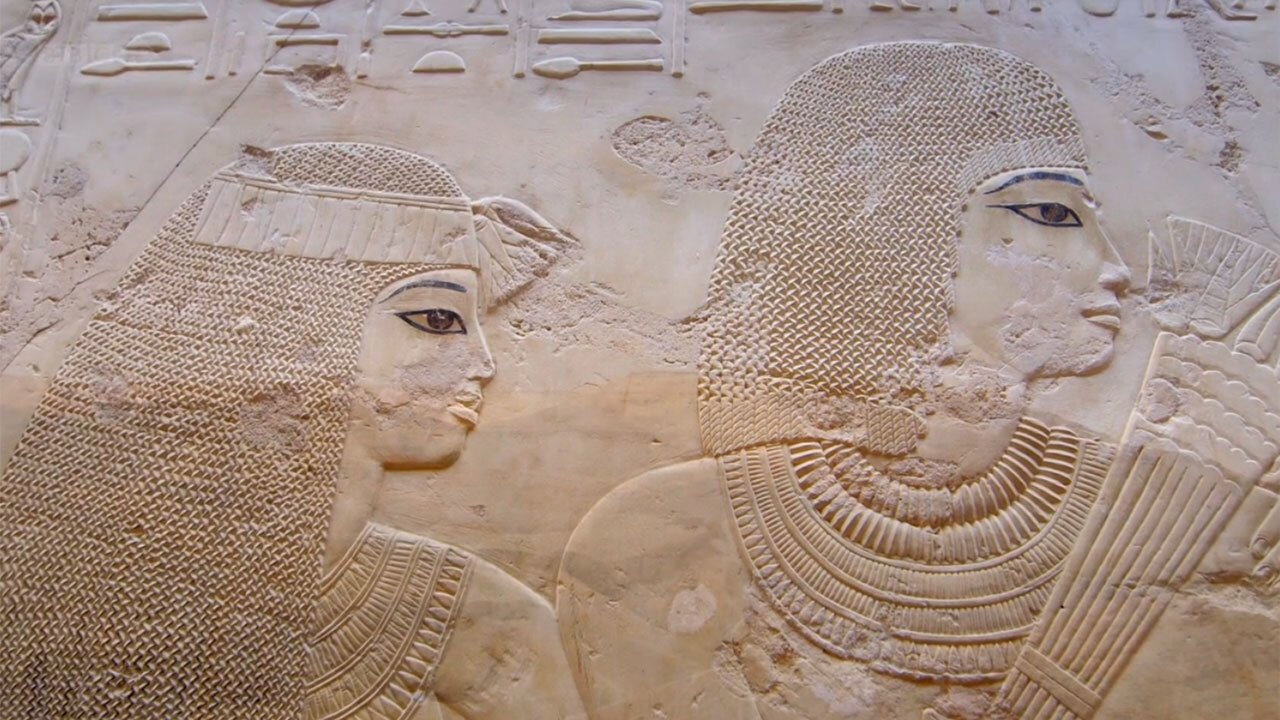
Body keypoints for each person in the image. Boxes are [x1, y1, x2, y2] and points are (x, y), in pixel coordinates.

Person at [556, 42, 1279, 720]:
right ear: (893, 236)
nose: (1116, 268)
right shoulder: (656, 542)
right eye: (1052, 213)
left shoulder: (1195, 531)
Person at [0, 142, 585, 719]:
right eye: (438, 319)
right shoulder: (64, 591)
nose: (484, 363)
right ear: (295, 336)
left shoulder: (485, 619)